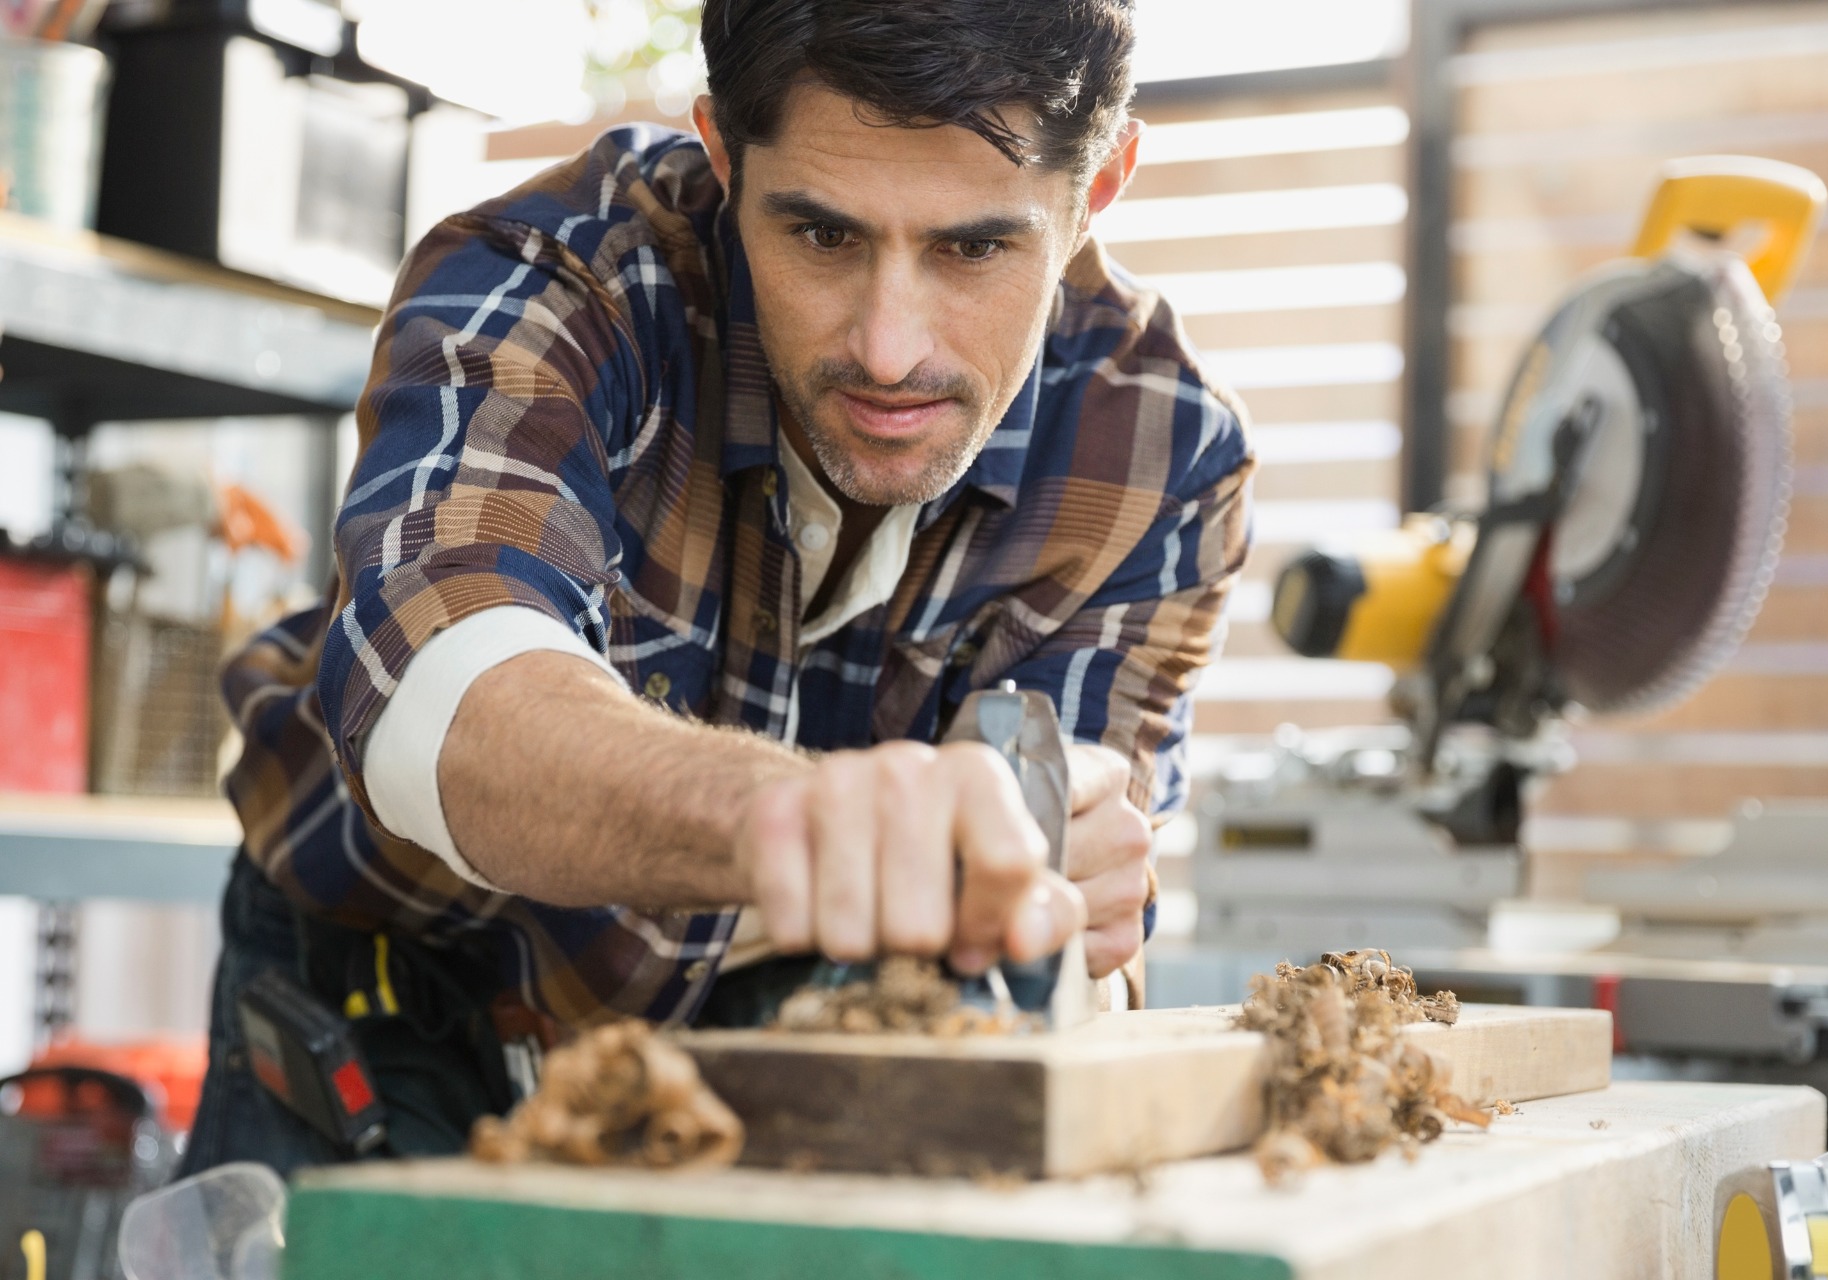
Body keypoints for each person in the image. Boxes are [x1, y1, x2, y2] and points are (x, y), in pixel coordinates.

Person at [181, 0, 1253, 1176]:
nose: (891, 348)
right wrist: (793, 818)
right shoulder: (556, 279)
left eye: (973, 248)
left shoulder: (1159, 445)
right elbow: (444, 692)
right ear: (726, 158)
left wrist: (1077, 895)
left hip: (770, 1033)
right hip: (396, 984)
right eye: (822, 236)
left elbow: (1069, 949)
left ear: (1096, 189)